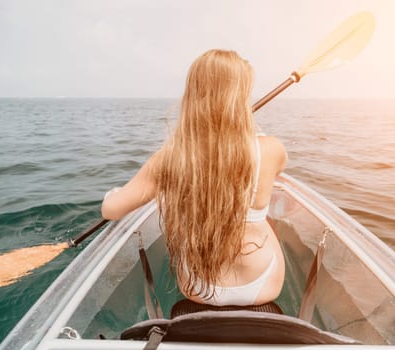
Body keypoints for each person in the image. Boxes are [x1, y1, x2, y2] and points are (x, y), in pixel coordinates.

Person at [101, 49, 288, 306]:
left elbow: (111, 210)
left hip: (199, 287)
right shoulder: (271, 149)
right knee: (266, 222)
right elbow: (278, 170)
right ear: (241, 98)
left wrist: (113, 193)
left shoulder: (170, 157)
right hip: (263, 284)